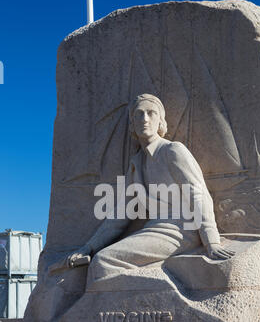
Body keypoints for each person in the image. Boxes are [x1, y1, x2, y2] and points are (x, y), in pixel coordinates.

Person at [68, 94, 234, 290]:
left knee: (104, 262)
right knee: (100, 260)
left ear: (160, 121)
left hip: (182, 230)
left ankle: (164, 291)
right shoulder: (136, 163)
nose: (144, 119)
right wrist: (89, 247)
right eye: (138, 114)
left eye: (151, 113)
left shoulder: (173, 151)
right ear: (132, 123)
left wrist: (211, 242)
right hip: (156, 229)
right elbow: (120, 216)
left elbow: (198, 194)